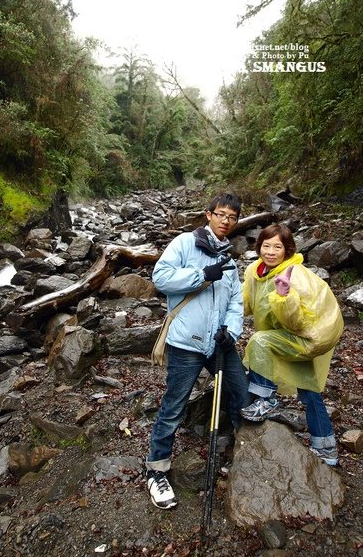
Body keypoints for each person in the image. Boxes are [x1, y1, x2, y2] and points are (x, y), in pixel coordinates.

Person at [146, 192, 251, 509]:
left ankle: (237, 452)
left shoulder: (230, 259)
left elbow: (235, 302)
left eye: (232, 217)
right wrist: (201, 275)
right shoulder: (183, 244)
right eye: (221, 214)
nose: (226, 221)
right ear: (208, 215)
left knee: (242, 394)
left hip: (219, 344)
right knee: (174, 406)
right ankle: (157, 471)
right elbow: (160, 278)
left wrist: (231, 331)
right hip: (187, 343)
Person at [240, 223, 344, 466]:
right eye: (266, 245)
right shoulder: (255, 271)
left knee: (259, 341)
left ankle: (266, 400)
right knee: (309, 389)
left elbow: (296, 322)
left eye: (278, 247)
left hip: (308, 337)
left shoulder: (294, 275)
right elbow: (245, 304)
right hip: (285, 337)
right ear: (259, 247)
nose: (271, 251)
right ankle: (326, 447)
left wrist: (283, 297)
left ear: (287, 250)